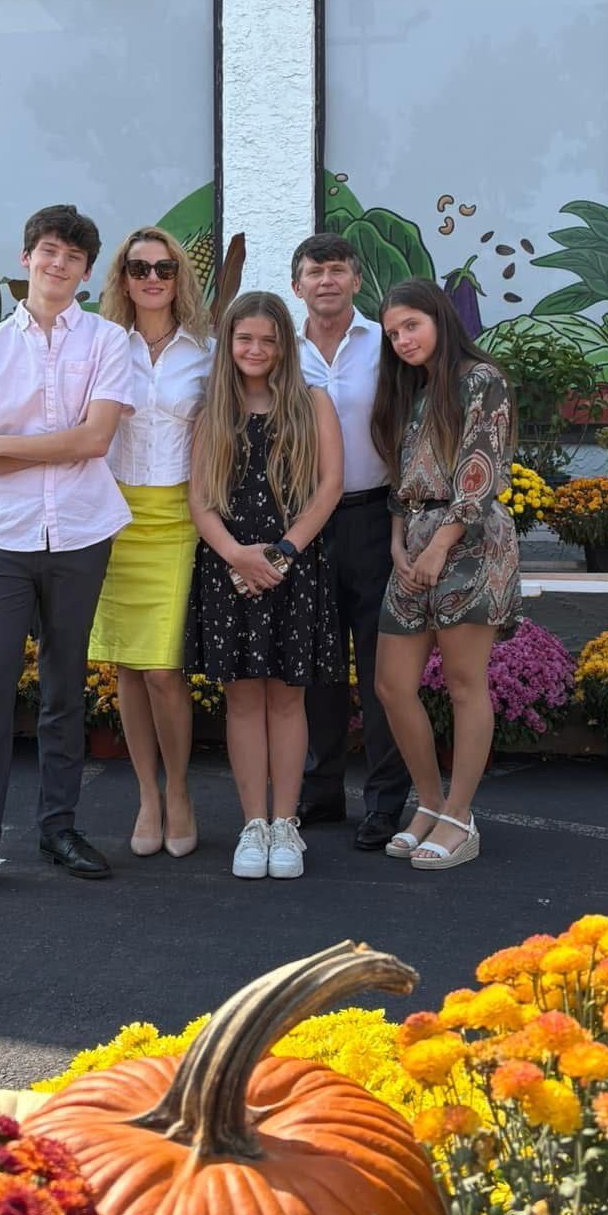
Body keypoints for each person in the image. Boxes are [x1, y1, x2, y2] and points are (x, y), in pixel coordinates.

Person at [0, 203, 133, 903]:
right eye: (47, 249)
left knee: (65, 689)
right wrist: (20, 448)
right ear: (26, 258)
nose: (58, 262)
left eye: (72, 255)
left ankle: (59, 829)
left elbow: (93, 441)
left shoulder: (106, 340)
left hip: (80, 533)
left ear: (87, 272)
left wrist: (5, 444)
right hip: (4, 540)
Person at [185, 290, 344, 880]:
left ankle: (286, 825)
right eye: (245, 338)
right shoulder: (212, 413)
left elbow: (329, 487)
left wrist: (280, 554)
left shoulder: (311, 403)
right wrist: (235, 556)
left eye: (269, 339)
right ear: (229, 344)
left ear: (285, 346)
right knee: (243, 698)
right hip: (229, 569)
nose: (256, 349)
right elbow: (200, 501)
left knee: (287, 696)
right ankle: (253, 825)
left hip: (293, 565)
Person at [371, 278, 520, 872]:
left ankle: (460, 814)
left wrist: (440, 545)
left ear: (438, 319)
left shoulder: (481, 380)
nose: (403, 340)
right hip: (414, 541)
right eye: (393, 333)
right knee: (391, 684)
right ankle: (429, 803)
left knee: (464, 683)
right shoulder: (415, 390)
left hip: (471, 542)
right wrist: (400, 546)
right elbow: (401, 479)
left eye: (411, 325)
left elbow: (481, 469)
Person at [89, 226, 213, 858]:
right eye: (139, 269)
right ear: (123, 278)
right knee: (127, 669)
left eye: (164, 268)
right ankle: (146, 794)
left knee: (164, 669)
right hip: (113, 514)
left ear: (179, 276)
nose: (153, 278)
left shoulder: (207, 349)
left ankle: (181, 791)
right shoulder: (102, 345)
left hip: (179, 516)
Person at [291, 231, 412, 850]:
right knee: (318, 667)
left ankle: (386, 802)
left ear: (356, 282)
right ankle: (321, 792)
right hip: (305, 522)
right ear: (298, 286)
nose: (327, 281)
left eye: (338, 271)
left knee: (380, 669)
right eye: (315, 272)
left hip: (374, 517)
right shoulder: (283, 352)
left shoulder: (384, 346)